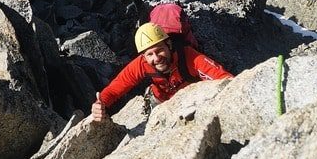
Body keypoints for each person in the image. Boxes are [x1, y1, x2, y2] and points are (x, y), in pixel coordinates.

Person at [91, 22, 233, 121]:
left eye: (159, 50)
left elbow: (224, 78)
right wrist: (100, 104)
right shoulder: (141, 64)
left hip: (190, 100)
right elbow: (114, 90)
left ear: (169, 45)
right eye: (150, 54)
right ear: (143, 56)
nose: (156, 58)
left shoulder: (189, 57)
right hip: (160, 100)